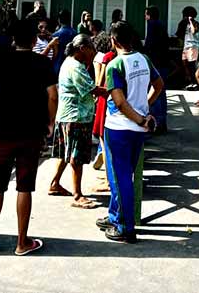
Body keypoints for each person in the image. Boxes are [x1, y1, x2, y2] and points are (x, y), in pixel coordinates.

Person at [0, 19, 57, 256]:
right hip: (31, 132)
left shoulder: (1, 61)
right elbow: (52, 95)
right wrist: (50, 122)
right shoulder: (43, 63)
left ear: (12, 40)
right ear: (33, 40)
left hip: (4, 131)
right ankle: (22, 242)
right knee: (25, 187)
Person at [95, 21, 164, 243]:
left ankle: (125, 227)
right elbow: (159, 84)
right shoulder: (143, 59)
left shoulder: (114, 65)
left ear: (113, 41)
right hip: (137, 131)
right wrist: (144, 108)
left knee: (119, 178)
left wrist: (140, 117)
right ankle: (115, 216)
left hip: (118, 128)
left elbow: (120, 102)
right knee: (125, 175)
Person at [48, 34, 107, 207]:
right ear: (82, 49)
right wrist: (114, 92)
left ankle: (55, 183)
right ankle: (77, 195)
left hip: (67, 115)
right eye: (91, 50)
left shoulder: (70, 63)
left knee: (65, 153)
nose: (93, 54)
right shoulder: (76, 67)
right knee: (76, 156)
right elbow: (92, 89)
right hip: (76, 117)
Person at [91, 31, 116, 191]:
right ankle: (110, 176)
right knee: (108, 142)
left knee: (103, 140)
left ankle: (108, 180)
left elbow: (99, 80)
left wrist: (94, 95)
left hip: (103, 98)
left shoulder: (103, 58)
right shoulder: (117, 56)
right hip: (114, 96)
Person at [143, 5, 169, 133]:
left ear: (149, 15)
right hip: (163, 62)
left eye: (146, 14)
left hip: (155, 63)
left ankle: (156, 123)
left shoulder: (152, 25)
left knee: (155, 92)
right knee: (162, 92)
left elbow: (149, 44)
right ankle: (162, 121)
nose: (145, 17)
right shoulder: (162, 25)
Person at [176, 6, 199, 90]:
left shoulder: (195, 23)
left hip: (193, 46)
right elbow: (179, 34)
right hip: (186, 46)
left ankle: (194, 83)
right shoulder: (183, 23)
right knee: (185, 64)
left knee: (192, 65)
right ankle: (189, 81)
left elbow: (194, 31)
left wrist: (190, 21)